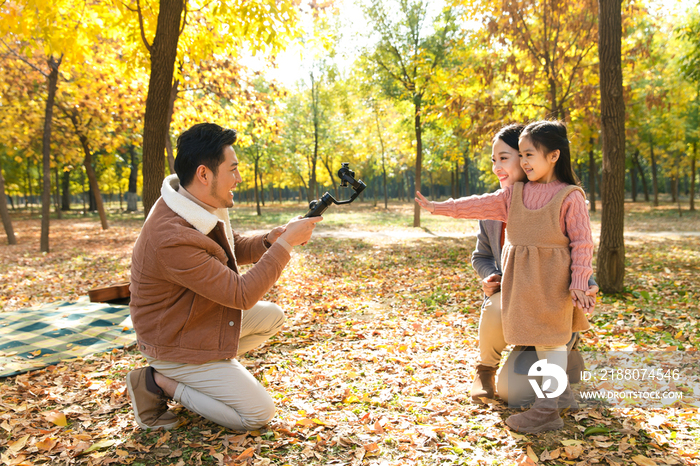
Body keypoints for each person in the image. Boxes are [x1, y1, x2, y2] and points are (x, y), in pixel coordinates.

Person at [126, 122, 322, 431]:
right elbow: (241, 294)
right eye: (233, 170)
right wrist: (286, 245)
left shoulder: (191, 201)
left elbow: (229, 247)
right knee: (257, 414)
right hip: (172, 342)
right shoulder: (171, 235)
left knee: (273, 317)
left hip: (191, 321)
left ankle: (210, 371)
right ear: (204, 174)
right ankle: (161, 381)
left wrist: (271, 239)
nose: (239, 178)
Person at [416, 120, 595, 434]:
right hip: (522, 288)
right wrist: (439, 208)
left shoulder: (570, 196)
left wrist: (580, 283)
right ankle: (552, 392)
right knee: (539, 347)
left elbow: (582, 243)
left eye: (528, 155)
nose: (524, 162)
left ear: (553, 156)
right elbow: (478, 204)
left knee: (550, 343)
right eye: (521, 156)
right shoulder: (515, 195)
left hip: (552, 286)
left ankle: (546, 409)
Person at [468, 124, 598, 408]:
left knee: (515, 395)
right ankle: (485, 370)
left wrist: (587, 283)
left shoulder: (554, 197)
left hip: (547, 310)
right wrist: (490, 274)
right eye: (493, 160)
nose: (497, 167)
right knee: (496, 304)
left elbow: (577, 250)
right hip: (513, 307)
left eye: (505, 157)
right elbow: (481, 256)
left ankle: (566, 353)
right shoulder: (494, 207)